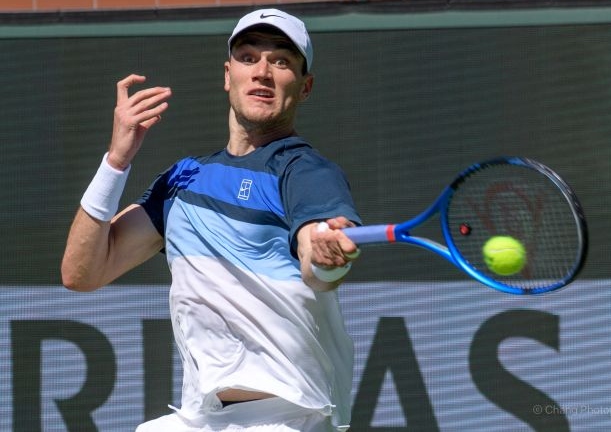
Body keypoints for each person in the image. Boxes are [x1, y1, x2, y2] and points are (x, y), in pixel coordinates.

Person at [61, 8, 361, 432]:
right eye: (248, 57)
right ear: (227, 75)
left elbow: (318, 261)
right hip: (203, 418)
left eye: (281, 61)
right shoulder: (183, 180)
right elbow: (81, 273)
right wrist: (116, 162)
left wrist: (329, 259)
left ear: (304, 86)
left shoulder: (305, 171)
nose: (262, 72)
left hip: (287, 418)